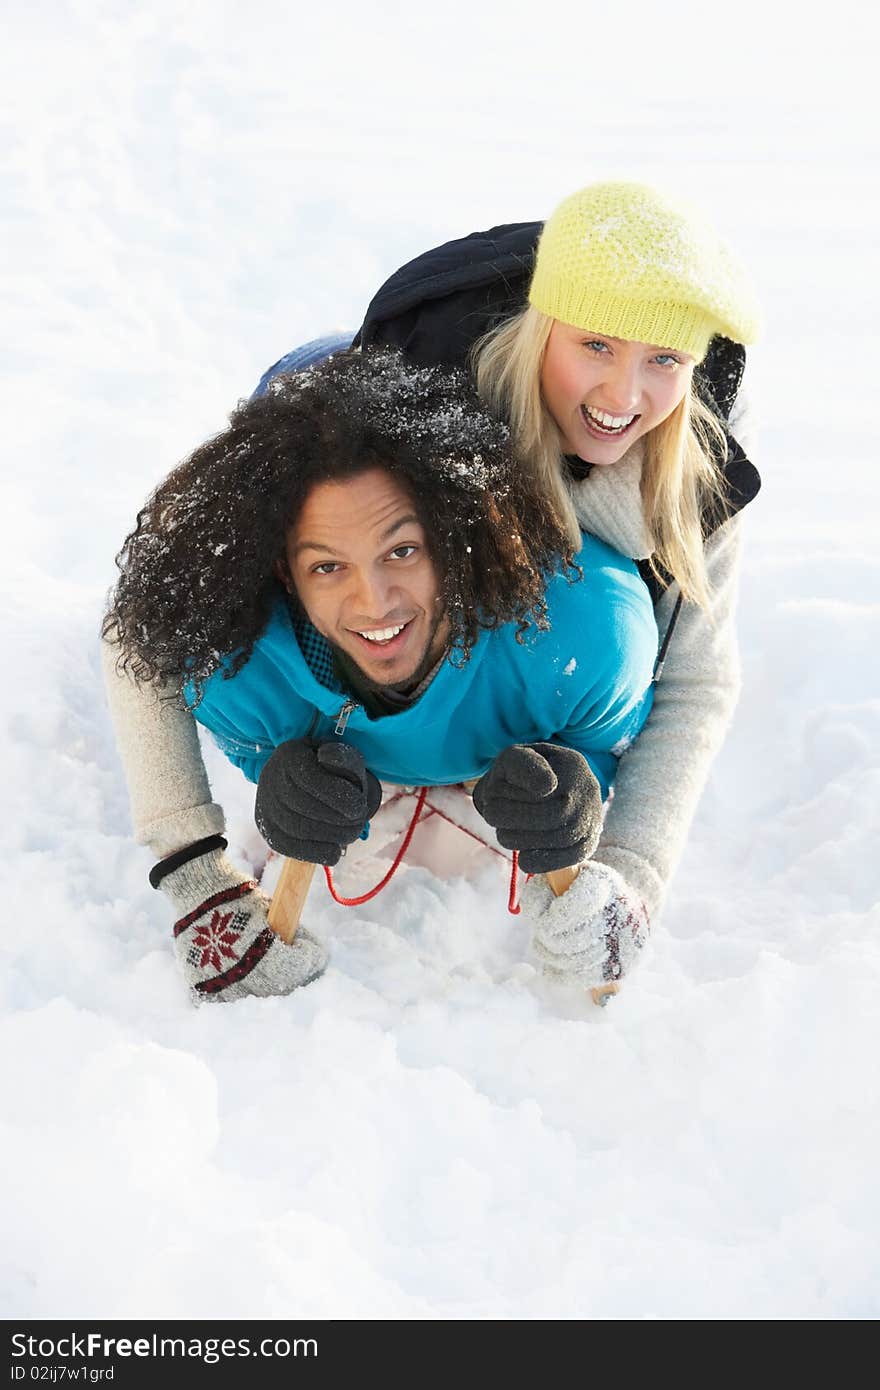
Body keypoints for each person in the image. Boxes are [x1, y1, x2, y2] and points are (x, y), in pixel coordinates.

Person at [102, 179, 761, 1005]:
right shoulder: (428, 404)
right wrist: (193, 872)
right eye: (596, 345)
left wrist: (625, 874)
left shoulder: (692, 477)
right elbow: (154, 608)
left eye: (664, 359)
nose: (624, 396)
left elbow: (696, 680)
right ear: (540, 323)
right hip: (318, 389)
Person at [104, 350, 658, 1002]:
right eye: (327, 567)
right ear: (283, 572)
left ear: (453, 535)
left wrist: (579, 782)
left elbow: (614, 735)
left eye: (402, 551)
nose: (375, 604)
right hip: (296, 384)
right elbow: (137, 644)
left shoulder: (582, 630)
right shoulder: (234, 664)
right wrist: (268, 780)